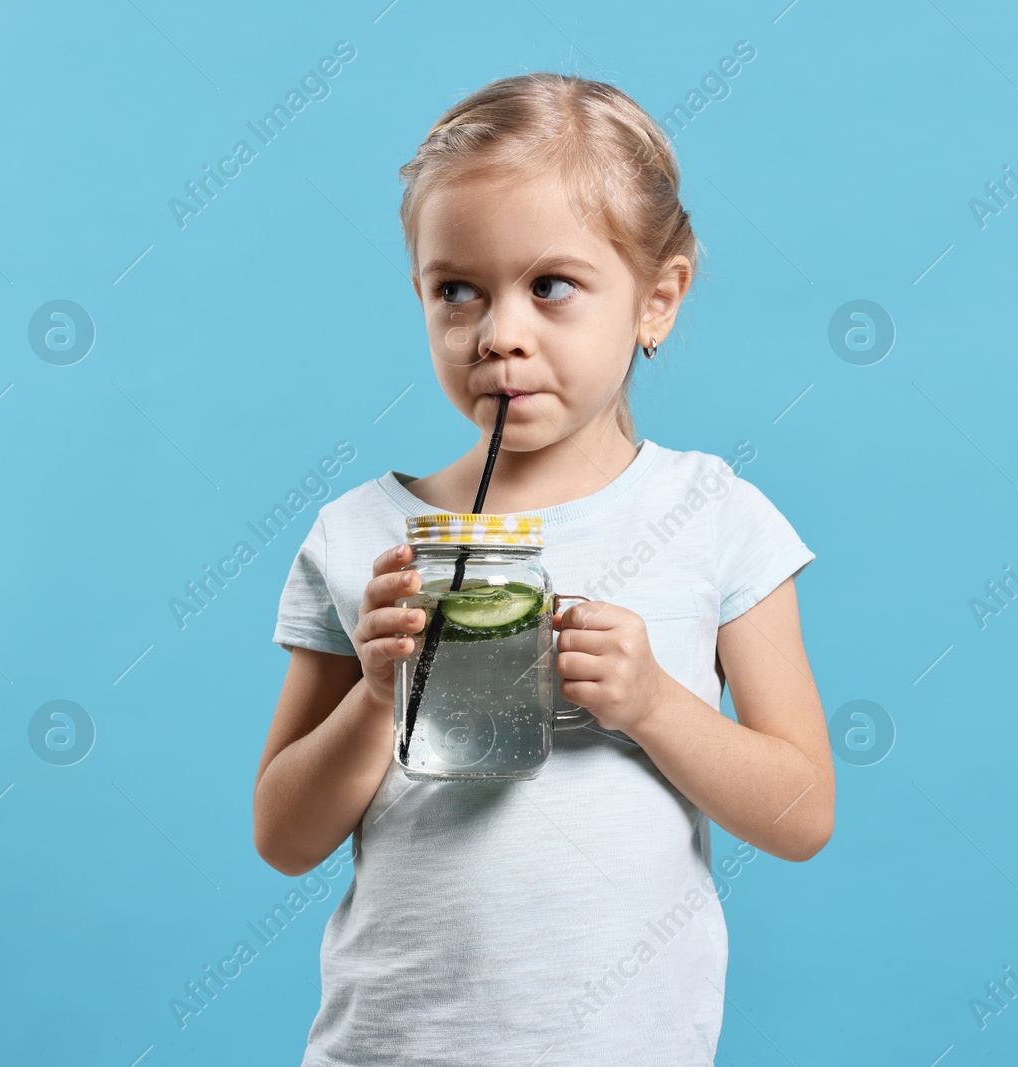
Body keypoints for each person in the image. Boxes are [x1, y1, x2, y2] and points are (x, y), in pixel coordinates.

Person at [252, 71, 833, 1066]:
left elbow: (801, 812)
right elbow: (285, 833)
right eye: (456, 290)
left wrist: (652, 701)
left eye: (550, 285)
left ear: (657, 299)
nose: (498, 333)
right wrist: (376, 696)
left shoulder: (712, 516)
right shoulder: (361, 534)